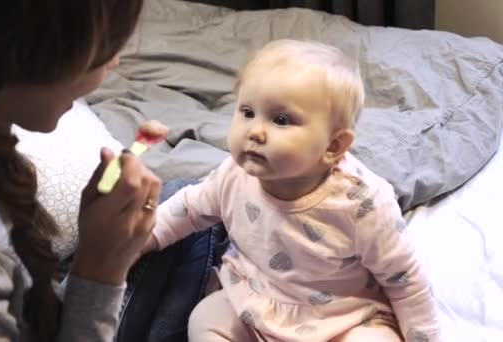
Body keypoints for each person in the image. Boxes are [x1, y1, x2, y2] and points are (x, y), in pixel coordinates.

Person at [0, 1, 170, 341]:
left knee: (182, 199)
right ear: (31, 51)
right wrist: (101, 270)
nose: (114, 62)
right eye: (108, 45)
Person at [145, 40, 441, 341]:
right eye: (247, 112)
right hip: (255, 301)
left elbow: (406, 282)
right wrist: (142, 238)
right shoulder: (233, 176)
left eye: (281, 120)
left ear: (333, 146)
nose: (255, 131)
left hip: (343, 317)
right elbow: (189, 208)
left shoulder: (362, 203)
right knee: (205, 319)